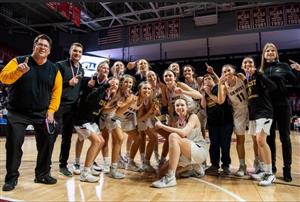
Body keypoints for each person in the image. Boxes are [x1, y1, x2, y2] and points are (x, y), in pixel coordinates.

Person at [0, 34, 62, 191]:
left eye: (45, 46)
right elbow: (3, 78)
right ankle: (11, 178)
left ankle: (42, 174)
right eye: (39, 44)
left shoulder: (54, 69)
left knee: (48, 141)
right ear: (34, 46)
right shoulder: (18, 61)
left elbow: (56, 93)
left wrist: (51, 112)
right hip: (17, 112)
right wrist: (18, 72)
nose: (42, 47)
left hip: (41, 113)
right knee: (14, 144)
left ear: (49, 51)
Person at [260, 43, 297, 182]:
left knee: (285, 138)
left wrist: (299, 70)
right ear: (264, 54)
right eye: (267, 50)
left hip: (283, 105)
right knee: (269, 139)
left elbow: (296, 84)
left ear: (276, 53)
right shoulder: (261, 69)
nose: (270, 52)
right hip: (267, 107)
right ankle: (272, 167)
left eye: (272, 50)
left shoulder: (284, 67)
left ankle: (287, 169)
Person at [152, 97, 208, 188]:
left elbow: (183, 133)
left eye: (182, 105)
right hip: (186, 152)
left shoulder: (193, 117)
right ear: (174, 108)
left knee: (173, 136)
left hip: (199, 150)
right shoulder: (176, 122)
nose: (180, 107)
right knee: (161, 173)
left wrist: (162, 126)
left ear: (187, 107)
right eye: (177, 105)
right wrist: (157, 116)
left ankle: (170, 179)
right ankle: (195, 168)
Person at [243, 56, 277, 186]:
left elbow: (273, 87)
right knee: (257, 143)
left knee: (261, 141)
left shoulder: (259, 75)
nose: (247, 64)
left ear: (254, 65)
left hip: (264, 112)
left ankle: (270, 174)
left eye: (250, 62)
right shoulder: (246, 80)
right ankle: (263, 170)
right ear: (242, 66)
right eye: (245, 62)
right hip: (253, 115)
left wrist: (258, 73)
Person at [55, 42, 85, 177]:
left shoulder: (81, 69)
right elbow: (52, 84)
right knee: (51, 136)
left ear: (81, 54)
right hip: (58, 106)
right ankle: (44, 166)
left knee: (67, 138)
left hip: (72, 108)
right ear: (70, 52)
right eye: (75, 51)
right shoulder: (60, 65)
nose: (77, 53)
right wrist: (68, 83)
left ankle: (63, 165)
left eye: (79, 51)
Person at [217, 64, 249, 177]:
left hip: (251, 107)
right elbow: (220, 101)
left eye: (228, 70)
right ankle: (242, 165)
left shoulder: (240, 77)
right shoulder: (224, 86)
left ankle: (260, 164)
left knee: (257, 138)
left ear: (234, 71)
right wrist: (219, 83)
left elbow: (251, 88)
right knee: (240, 139)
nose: (227, 73)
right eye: (224, 71)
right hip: (238, 112)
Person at [203, 73, 233, 175]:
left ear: (213, 80)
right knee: (214, 145)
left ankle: (226, 166)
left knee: (225, 145)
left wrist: (209, 94)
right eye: (205, 79)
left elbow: (220, 101)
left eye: (209, 78)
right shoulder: (206, 92)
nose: (207, 80)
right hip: (212, 123)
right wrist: (204, 93)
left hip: (225, 121)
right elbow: (203, 105)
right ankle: (214, 165)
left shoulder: (220, 87)